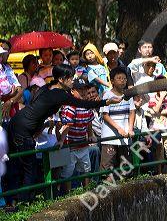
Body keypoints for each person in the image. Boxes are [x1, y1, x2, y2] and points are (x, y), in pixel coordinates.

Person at [5, 64, 120, 204]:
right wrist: (107, 101)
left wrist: (39, 127)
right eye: (70, 78)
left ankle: (14, 199)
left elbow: (39, 112)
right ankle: (22, 203)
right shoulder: (59, 94)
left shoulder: (46, 88)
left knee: (16, 163)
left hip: (17, 123)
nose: (72, 81)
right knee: (29, 167)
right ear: (61, 79)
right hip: (23, 129)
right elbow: (83, 104)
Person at [58, 80, 96, 193]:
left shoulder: (87, 106)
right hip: (70, 145)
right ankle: (68, 195)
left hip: (82, 144)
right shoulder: (70, 107)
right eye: (80, 90)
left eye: (85, 89)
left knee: (86, 170)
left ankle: (87, 191)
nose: (83, 92)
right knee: (68, 172)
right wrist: (61, 141)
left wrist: (90, 135)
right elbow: (67, 126)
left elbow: (89, 122)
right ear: (73, 91)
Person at [100, 67, 135, 181]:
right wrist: (119, 129)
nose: (122, 81)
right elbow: (105, 115)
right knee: (108, 167)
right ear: (112, 81)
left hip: (125, 136)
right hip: (110, 136)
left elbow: (132, 112)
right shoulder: (107, 95)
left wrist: (130, 128)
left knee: (125, 166)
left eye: (124, 78)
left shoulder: (127, 95)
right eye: (119, 78)